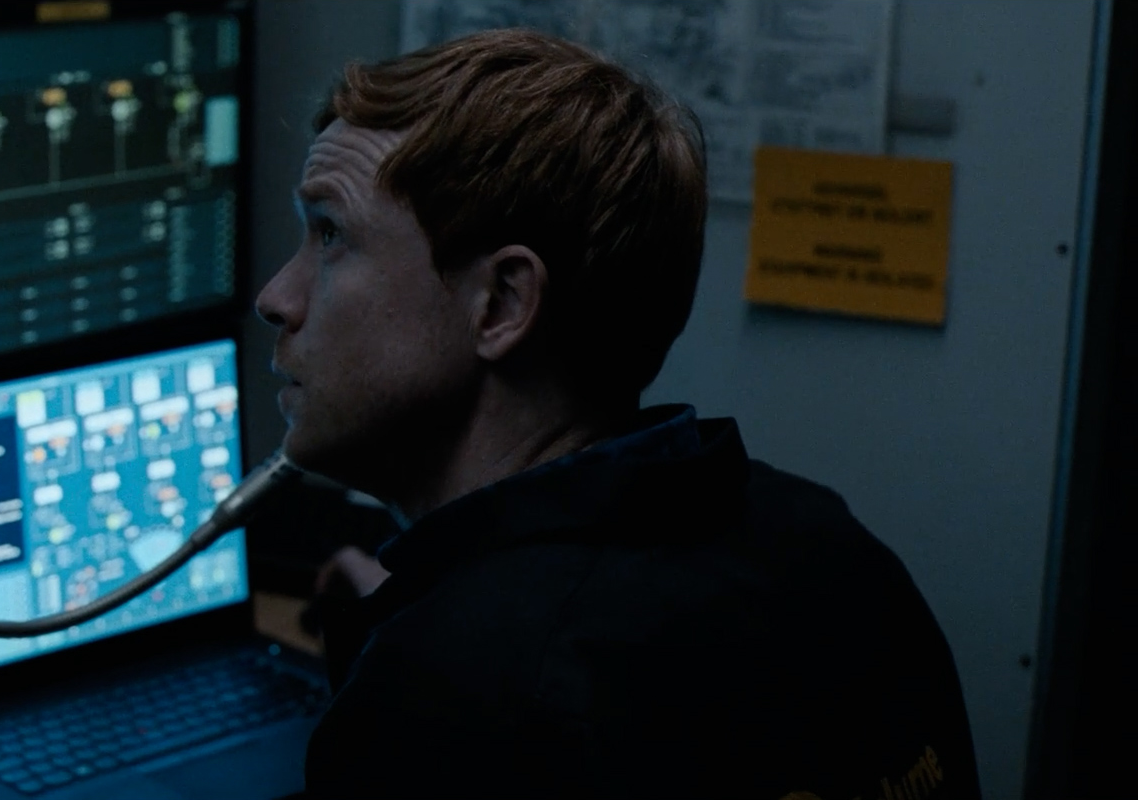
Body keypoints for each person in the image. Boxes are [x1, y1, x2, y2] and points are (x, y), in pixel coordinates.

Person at [255, 28, 980, 799]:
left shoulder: (464, 702)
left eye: (330, 234)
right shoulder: (832, 550)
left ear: (501, 303)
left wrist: (441, 647)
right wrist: (439, 606)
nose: (277, 297)